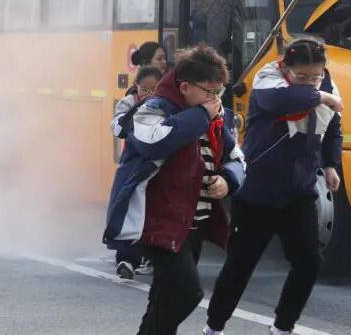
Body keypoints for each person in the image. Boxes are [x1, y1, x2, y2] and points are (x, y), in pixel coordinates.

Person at [103, 45, 246, 335]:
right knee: (186, 293)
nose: (215, 99)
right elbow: (155, 141)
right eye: (208, 92)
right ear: (185, 87)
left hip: (194, 222)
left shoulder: (215, 116)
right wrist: (201, 115)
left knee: (164, 296)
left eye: (218, 92)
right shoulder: (154, 108)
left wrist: (227, 179)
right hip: (160, 220)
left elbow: (237, 158)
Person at [205, 37, 343, 335]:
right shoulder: (268, 81)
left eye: (316, 76)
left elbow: (333, 127)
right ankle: (214, 326)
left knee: (308, 262)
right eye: (301, 77)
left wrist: (331, 164)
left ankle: (282, 327)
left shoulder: (328, 86)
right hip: (257, 191)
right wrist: (321, 96)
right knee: (241, 265)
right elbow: (283, 101)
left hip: (299, 190)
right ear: (285, 68)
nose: (310, 82)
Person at [111, 65, 164, 278]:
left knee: (153, 212)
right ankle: (126, 259)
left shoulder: (166, 104)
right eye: (145, 89)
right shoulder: (128, 103)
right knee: (128, 209)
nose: (149, 94)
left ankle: (152, 256)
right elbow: (118, 128)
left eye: (154, 90)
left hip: (156, 166)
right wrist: (140, 106)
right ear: (136, 87)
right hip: (133, 163)